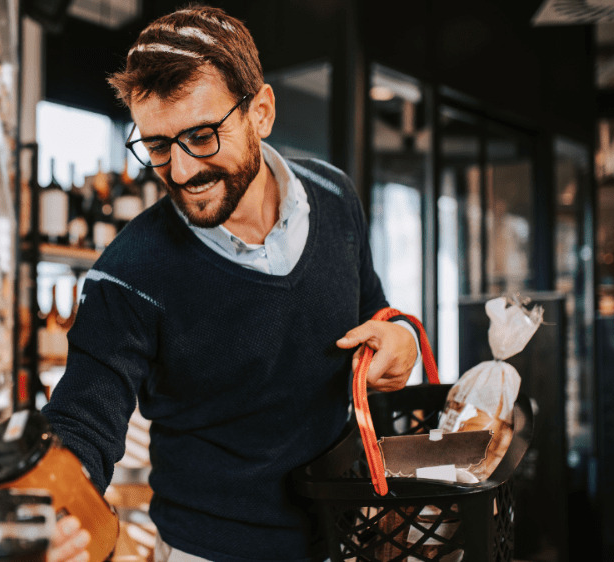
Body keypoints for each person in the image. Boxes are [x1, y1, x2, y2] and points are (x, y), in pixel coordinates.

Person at [42, 5, 419, 561]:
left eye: (201, 136)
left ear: (260, 112)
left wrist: (402, 338)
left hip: (347, 536)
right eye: (159, 147)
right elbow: (81, 420)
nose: (183, 171)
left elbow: (375, 309)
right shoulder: (128, 274)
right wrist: (59, 506)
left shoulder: (336, 196)